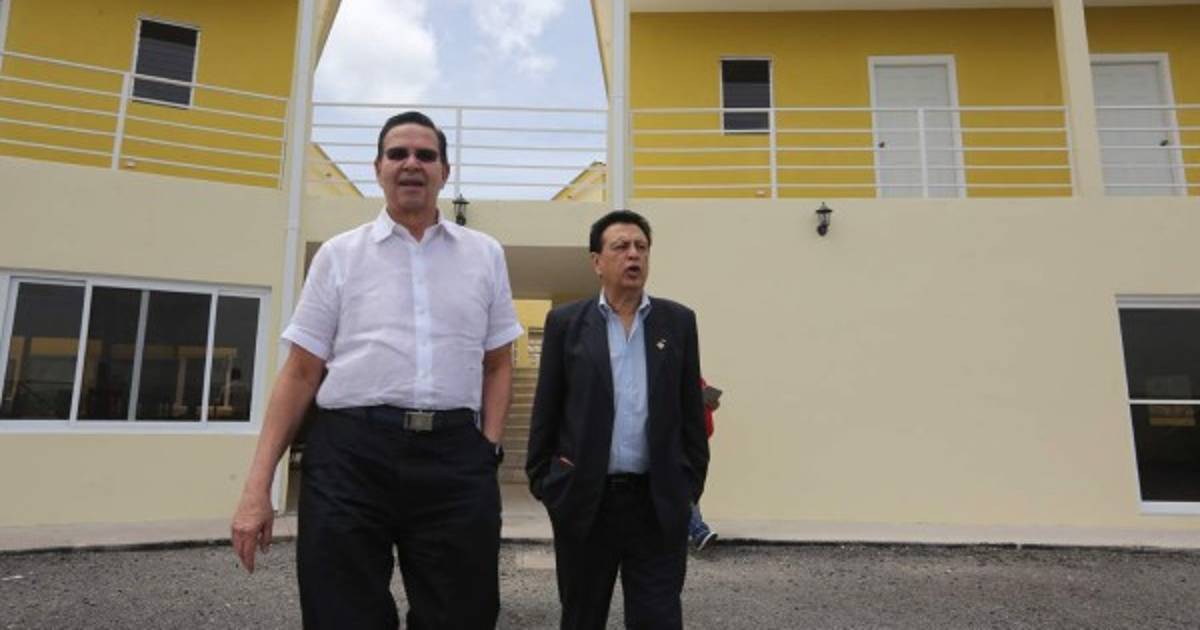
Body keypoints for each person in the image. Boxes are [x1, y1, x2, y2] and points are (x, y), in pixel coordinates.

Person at [230, 110, 523, 629]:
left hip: (455, 460)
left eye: (425, 155)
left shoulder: (485, 255)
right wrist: (258, 488)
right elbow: (300, 373)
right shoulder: (339, 256)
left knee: (463, 614)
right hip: (350, 457)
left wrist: (488, 448)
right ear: (378, 168)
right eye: (397, 154)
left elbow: (498, 363)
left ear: (445, 172)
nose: (411, 163)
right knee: (341, 614)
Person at [526, 209, 709, 630]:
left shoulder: (678, 322)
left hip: (656, 503)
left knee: (659, 619)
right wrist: (548, 484)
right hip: (587, 502)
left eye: (641, 247)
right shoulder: (567, 324)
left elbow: (690, 412)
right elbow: (547, 409)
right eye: (621, 247)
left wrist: (688, 484)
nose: (633, 255)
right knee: (582, 617)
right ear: (597, 261)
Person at [688, 378, 720, 551]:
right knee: (684, 487)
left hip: (699, 441)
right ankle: (698, 531)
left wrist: (711, 404)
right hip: (683, 440)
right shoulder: (676, 375)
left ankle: (696, 530)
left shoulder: (699, 380)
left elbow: (710, 407)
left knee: (693, 488)